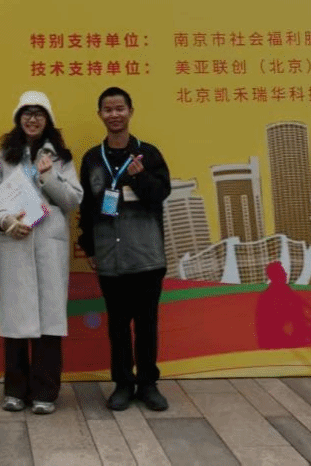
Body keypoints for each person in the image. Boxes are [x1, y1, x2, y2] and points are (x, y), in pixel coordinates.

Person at [0, 91, 82, 415]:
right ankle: (14, 390)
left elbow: (73, 200)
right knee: (15, 318)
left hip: (49, 243)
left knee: (49, 320)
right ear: (18, 118)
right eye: (27, 113)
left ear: (48, 119)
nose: (32, 119)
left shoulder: (61, 157)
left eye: (39, 113)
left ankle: (45, 392)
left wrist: (49, 176)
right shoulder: (4, 156)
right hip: (15, 241)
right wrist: (4, 221)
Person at [77, 87, 172, 412]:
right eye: (108, 109)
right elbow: (87, 207)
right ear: (100, 115)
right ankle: (122, 383)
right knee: (117, 327)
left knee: (146, 326)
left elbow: (160, 194)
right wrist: (89, 247)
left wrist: (140, 178)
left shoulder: (149, 154)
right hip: (109, 256)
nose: (114, 114)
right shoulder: (93, 158)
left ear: (130, 111)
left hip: (146, 255)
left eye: (120, 108)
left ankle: (148, 384)